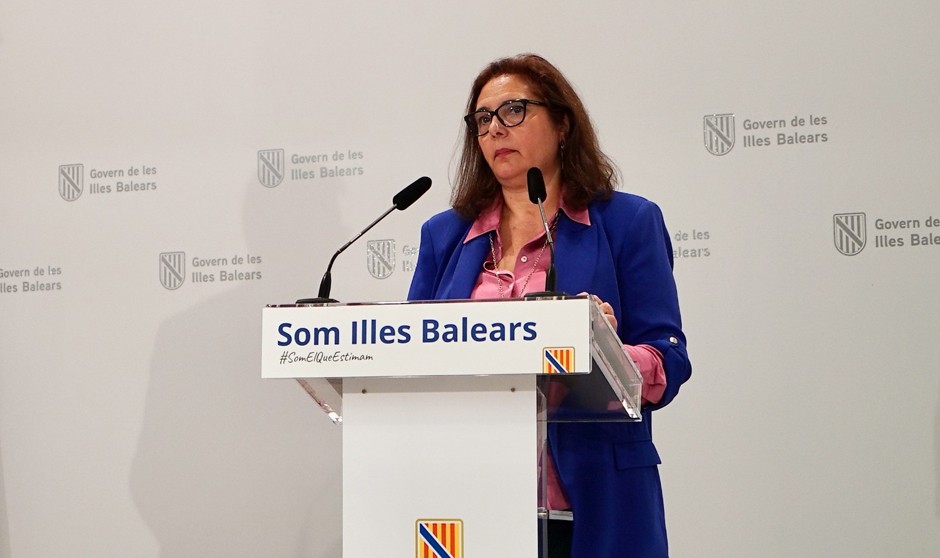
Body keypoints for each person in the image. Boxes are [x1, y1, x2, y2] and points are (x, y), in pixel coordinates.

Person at [407, 53, 691, 558]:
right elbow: (411, 357)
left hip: (593, 502)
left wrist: (603, 348)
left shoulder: (628, 222)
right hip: (468, 503)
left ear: (562, 123)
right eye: (483, 119)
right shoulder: (443, 236)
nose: (495, 129)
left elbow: (669, 359)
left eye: (514, 110)